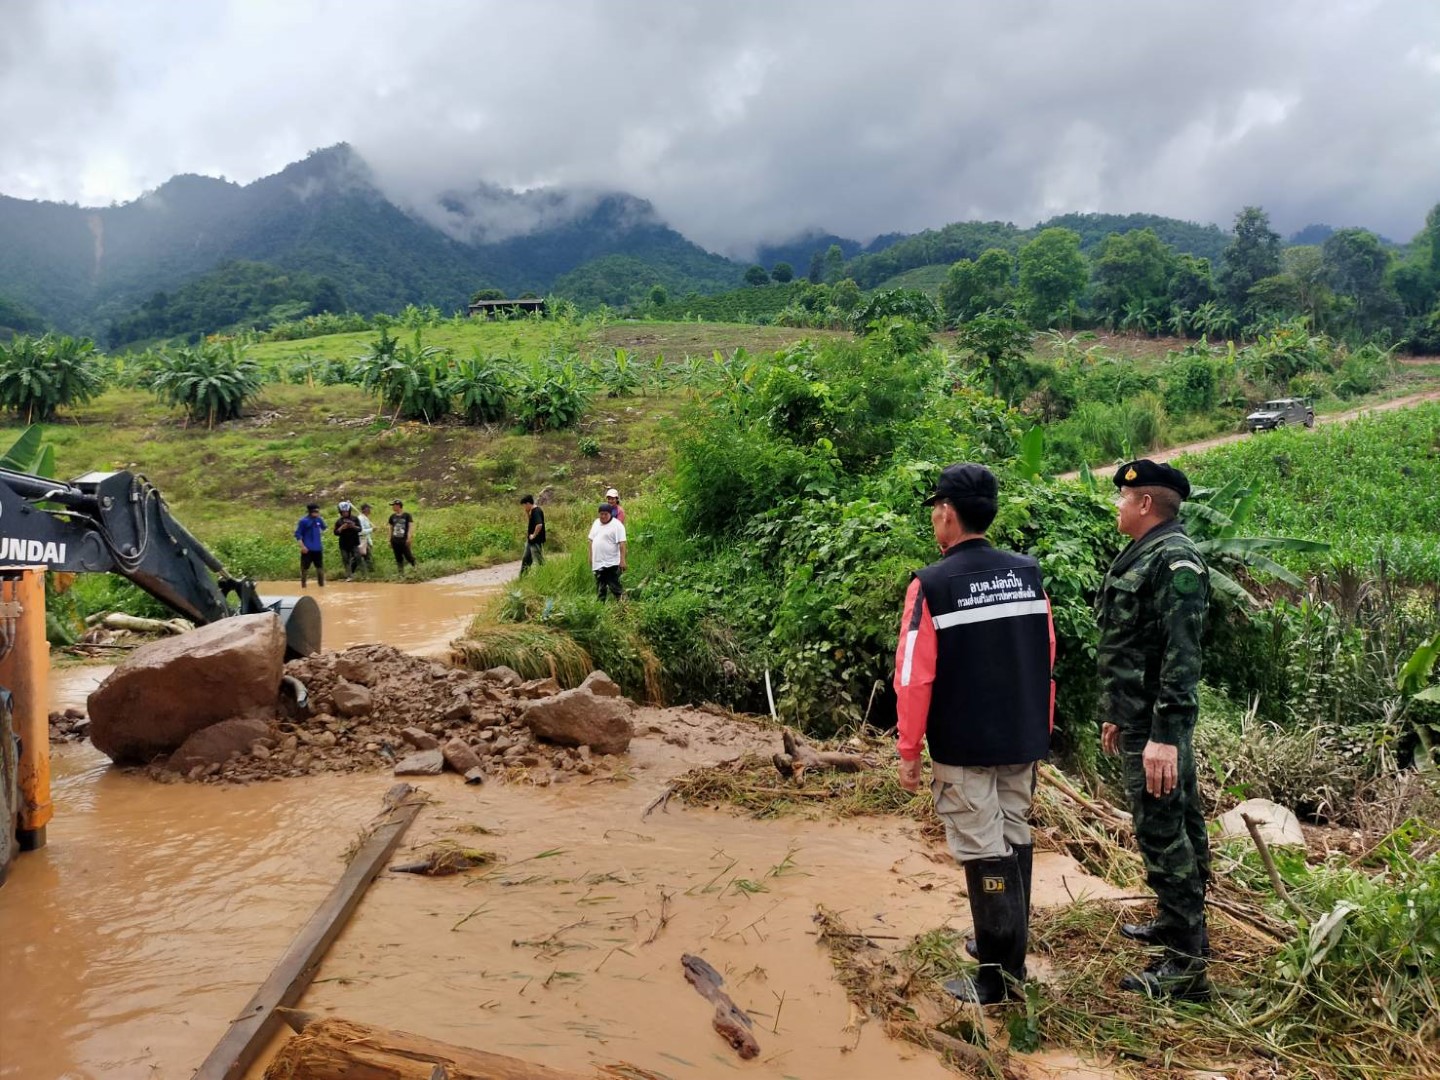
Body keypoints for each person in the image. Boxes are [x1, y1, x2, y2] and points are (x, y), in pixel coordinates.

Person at [893, 463, 1054, 1006]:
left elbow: (914, 676)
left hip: (964, 747)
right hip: (1021, 738)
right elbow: (1045, 656)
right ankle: (1012, 957)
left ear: (946, 514)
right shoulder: (1027, 573)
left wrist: (909, 751)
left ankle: (995, 978)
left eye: (936, 509)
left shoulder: (932, 584)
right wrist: (1040, 728)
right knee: (1013, 836)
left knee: (984, 850)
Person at [1097, 459, 1211, 1002]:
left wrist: (1163, 736)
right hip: (1140, 718)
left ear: (1145, 503)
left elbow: (1180, 655)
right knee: (1173, 822)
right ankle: (1175, 925)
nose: (1118, 504)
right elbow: (1131, 644)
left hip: (1159, 726)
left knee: (1164, 830)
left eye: (1125, 497)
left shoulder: (1175, 561)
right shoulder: (1147, 551)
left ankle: (1188, 968)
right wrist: (1118, 712)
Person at [588, 502, 626, 601]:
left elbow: (622, 543)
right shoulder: (596, 523)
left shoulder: (617, 525)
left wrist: (622, 561)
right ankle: (600, 610)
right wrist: (591, 557)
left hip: (611, 562)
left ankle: (624, 607)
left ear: (610, 514)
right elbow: (591, 540)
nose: (603, 516)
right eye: (601, 514)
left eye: (606, 514)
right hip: (598, 562)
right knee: (601, 588)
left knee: (615, 587)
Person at [294, 502, 326, 588]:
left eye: (318, 511)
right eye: (315, 511)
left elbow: (324, 528)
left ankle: (321, 586)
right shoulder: (303, 521)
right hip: (307, 549)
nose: (317, 513)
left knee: (320, 568)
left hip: (318, 549)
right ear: (310, 511)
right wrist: (302, 546)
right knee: (304, 569)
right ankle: (303, 586)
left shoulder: (319, 520)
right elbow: (298, 535)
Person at [333, 501, 363, 581]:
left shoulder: (355, 518)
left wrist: (353, 526)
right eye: (343, 512)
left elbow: (360, 529)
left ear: (349, 511)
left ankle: (354, 572)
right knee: (345, 559)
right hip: (343, 544)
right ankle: (349, 576)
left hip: (354, 542)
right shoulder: (338, 521)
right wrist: (342, 527)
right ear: (340, 512)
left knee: (357, 557)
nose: (345, 513)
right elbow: (335, 532)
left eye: (346, 511)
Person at [388, 499, 417, 575]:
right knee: (398, 557)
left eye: (393, 506)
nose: (392, 507)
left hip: (404, 540)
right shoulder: (392, 517)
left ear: (398, 506)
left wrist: (409, 537)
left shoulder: (407, 515)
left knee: (408, 556)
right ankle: (401, 573)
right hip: (395, 540)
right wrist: (389, 540)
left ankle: (415, 568)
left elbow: (410, 527)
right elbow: (390, 528)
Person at [519, 494, 546, 574]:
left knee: (538, 560)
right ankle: (522, 577)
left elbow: (539, 525)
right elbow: (532, 523)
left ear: (528, 503)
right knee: (526, 559)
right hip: (530, 541)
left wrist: (534, 535)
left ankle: (544, 575)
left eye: (524, 505)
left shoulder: (536, 511)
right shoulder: (532, 511)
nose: (524, 507)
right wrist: (527, 513)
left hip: (536, 540)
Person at [357, 503, 376, 573]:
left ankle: (368, 572)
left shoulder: (366, 518)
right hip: (362, 540)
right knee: (367, 557)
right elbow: (360, 531)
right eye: (369, 509)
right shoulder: (360, 518)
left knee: (367, 557)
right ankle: (370, 572)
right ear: (365, 509)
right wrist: (372, 529)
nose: (370, 510)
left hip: (367, 540)